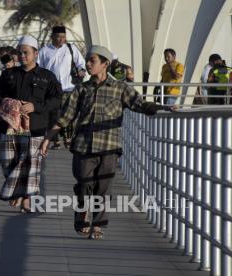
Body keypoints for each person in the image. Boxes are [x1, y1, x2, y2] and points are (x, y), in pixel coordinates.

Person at [40, 45, 177, 239]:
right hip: (83, 147)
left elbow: (140, 104)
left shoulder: (120, 89)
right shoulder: (82, 89)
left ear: (105, 64)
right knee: (83, 185)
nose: (87, 64)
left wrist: (163, 107)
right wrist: (48, 138)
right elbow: (66, 117)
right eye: (87, 61)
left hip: (109, 148)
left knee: (103, 188)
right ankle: (82, 215)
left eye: (92, 61)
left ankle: (98, 225)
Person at [0, 35, 62, 213]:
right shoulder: (9, 74)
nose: (22, 56)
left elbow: (57, 99)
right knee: (8, 161)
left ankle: (25, 199)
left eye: (26, 52)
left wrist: (35, 106)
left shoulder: (47, 77)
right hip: (10, 127)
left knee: (30, 164)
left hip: (35, 128)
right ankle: (16, 190)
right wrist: (7, 104)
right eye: (20, 53)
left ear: (36, 53)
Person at [38, 26, 86, 150]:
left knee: (68, 114)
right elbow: (39, 68)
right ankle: (55, 140)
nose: (61, 39)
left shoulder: (71, 48)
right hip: (51, 89)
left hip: (68, 88)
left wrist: (81, 70)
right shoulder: (44, 50)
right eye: (58, 37)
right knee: (52, 114)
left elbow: (81, 62)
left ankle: (68, 138)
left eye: (63, 37)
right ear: (52, 37)